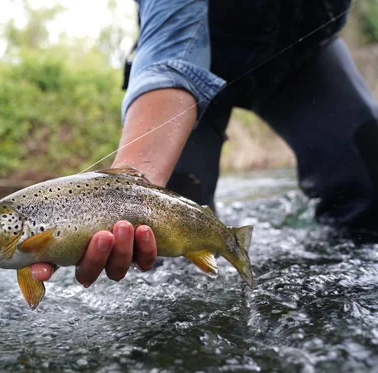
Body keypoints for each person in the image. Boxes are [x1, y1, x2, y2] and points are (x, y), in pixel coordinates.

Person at [31, 0, 378, 286]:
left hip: (305, 57)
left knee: (370, 182)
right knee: (163, 227)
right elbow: (173, 54)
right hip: (188, 64)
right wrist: (127, 193)